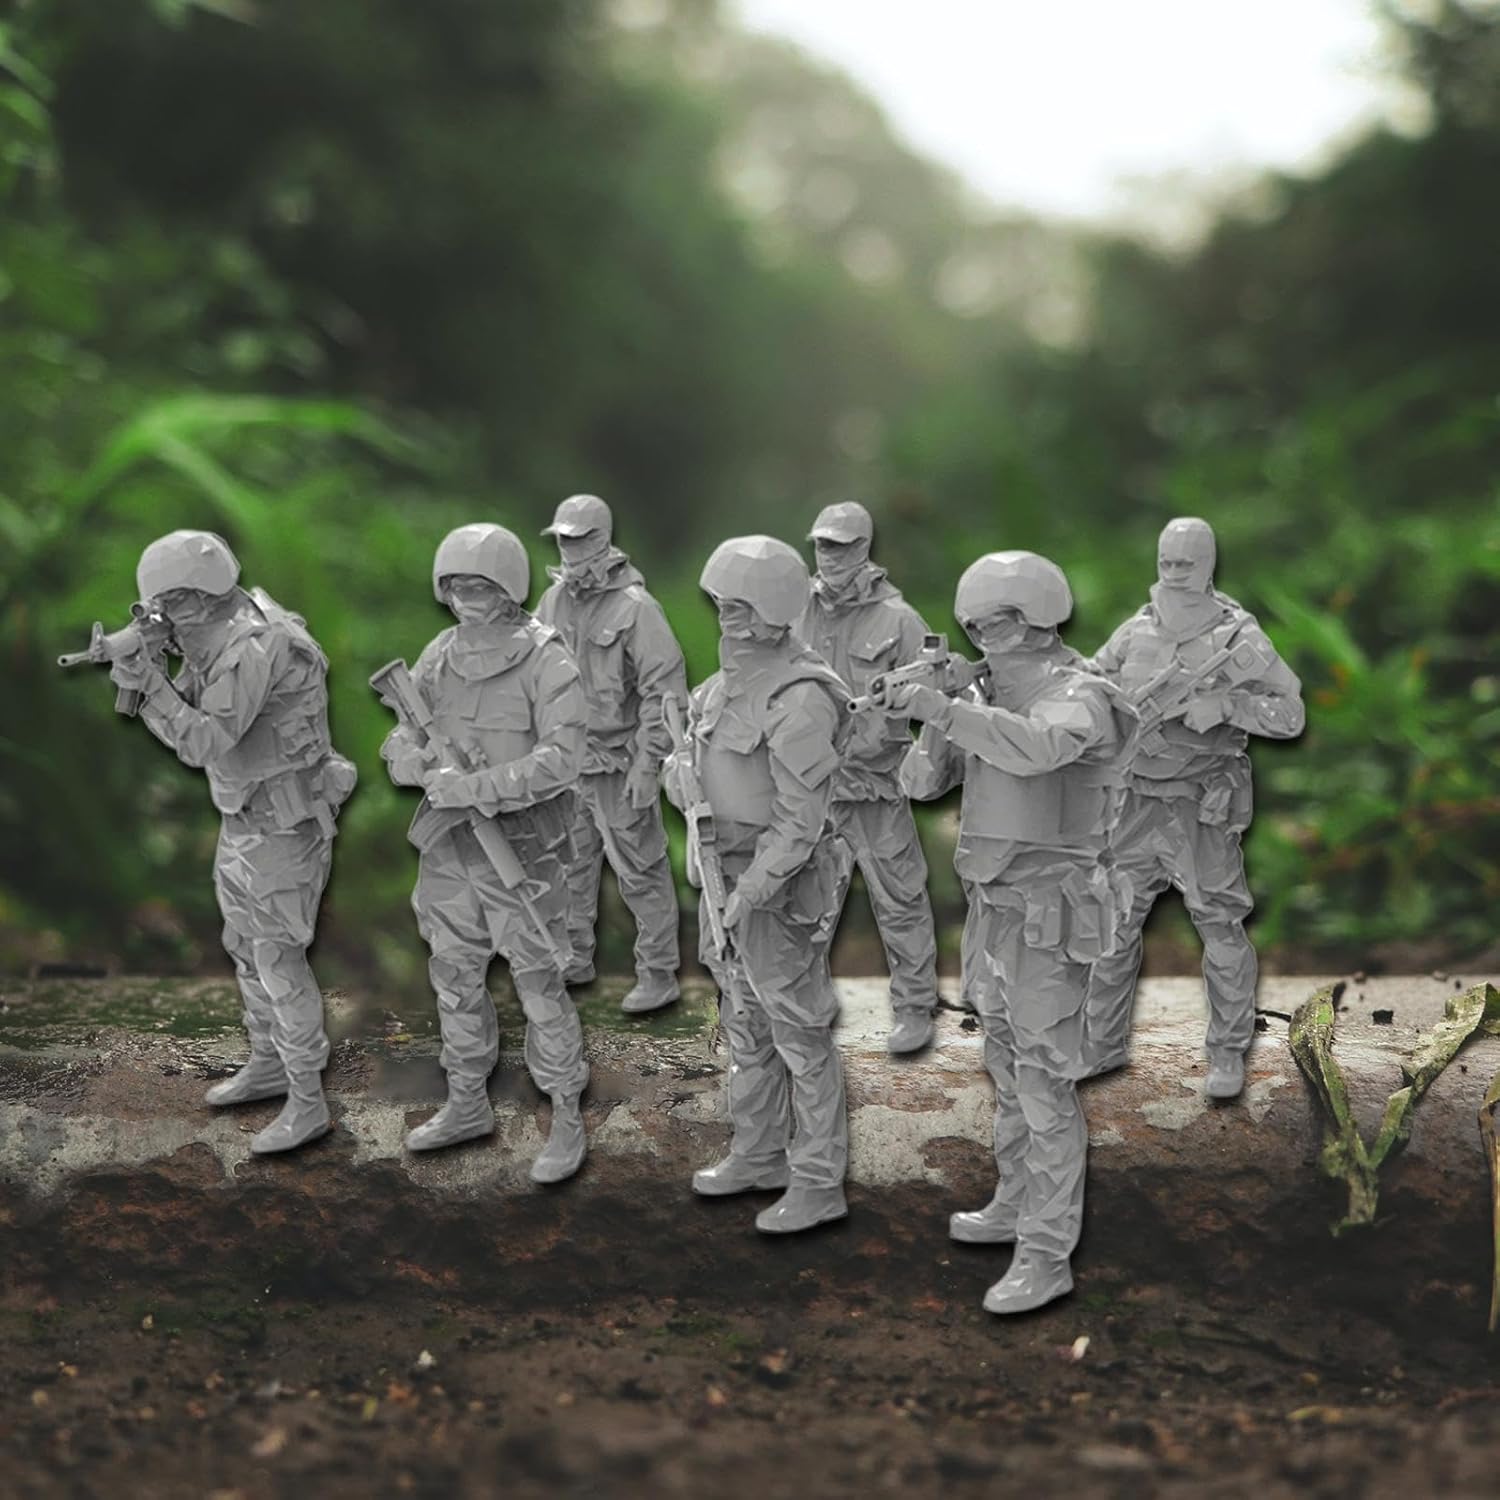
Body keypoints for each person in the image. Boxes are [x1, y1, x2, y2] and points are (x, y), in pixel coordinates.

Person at [896, 551, 1133, 1314]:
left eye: (997, 622)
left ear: (1037, 615)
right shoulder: (983, 699)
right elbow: (919, 785)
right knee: (1003, 1062)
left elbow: (1039, 749)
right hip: (994, 904)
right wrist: (935, 715)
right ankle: (1013, 1199)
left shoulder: (1080, 695)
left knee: (1044, 1079)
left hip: (1052, 907)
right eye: (975, 625)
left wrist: (949, 711)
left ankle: (1046, 1251)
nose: (983, 636)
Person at [104, 530, 355, 1154]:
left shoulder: (253, 645)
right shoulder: (215, 637)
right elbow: (196, 709)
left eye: (175, 603)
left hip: (284, 821)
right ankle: (269, 1063)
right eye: (161, 606)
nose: (168, 616)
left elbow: (204, 741)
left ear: (204, 594)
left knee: (277, 957)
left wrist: (150, 686)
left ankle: (308, 1100)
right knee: (243, 946)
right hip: (245, 816)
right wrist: (151, 668)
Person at [381, 523, 590, 1182]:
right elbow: (400, 737)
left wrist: (477, 786)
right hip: (450, 846)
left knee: (539, 981)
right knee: (454, 973)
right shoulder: (440, 655)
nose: (467, 597)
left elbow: (563, 760)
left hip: (522, 848)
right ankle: (468, 1100)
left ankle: (566, 1114)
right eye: (456, 586)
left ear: (509, 587)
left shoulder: (547, 660)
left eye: (481, 585)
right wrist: (412, 763)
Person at [664, 536, 851, 1233]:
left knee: (799, 1033)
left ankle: (819, 1181)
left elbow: (801, 823)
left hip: (779, 884)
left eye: (743, 606)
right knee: (745, 1024)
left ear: (777, 609)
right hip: (722, 873)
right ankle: (759, 1152)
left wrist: (750, 893)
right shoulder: (716, 692)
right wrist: (678, 779)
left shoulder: (801, 699)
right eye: (722, 603)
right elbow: (695, 774)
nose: (728, 617)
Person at [1082, 517, 1305, 1099]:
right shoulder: (1136, 632)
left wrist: (1226, 706)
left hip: (1200, 806)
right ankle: (1100, 1044)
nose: (1174, 573)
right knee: (1113, 927)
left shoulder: (1236, 638)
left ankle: (1228, 1051)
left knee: (1220, 926)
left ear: (1208, 565)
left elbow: (1291, 713)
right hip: (1135, 804)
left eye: (1186, 562)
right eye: (1166, 561)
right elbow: (1089, 688)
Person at [795, 501, 940, 1054]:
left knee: (901, 898)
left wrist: (927, 759)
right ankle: (804, 1006)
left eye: (840, 546)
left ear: (863, 548)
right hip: (813, 787)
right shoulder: (793, 611)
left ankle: (915, 1007)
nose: (828, 556)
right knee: (803, 900)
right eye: (821, 545)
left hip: (877, 787)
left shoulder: (899, 620)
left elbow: (940, 703)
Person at [535, 494, 687, 1014]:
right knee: (568, 864)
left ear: (602, 540)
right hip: (568, 761)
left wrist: (649, 764)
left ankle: (659, 971)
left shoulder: (635, 608)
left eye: (580, 539)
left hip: (621, 762)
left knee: (641, 869)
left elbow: (664, 692)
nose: (570, 549)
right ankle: (573, 956)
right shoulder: (552, 602)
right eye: (563, 540)